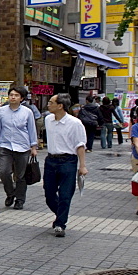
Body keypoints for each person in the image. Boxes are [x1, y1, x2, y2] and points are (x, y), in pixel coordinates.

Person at [43, 94, 88, 237]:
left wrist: (82, 166)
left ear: (60, 106)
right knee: (49, 194)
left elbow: (80, 145)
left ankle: (60, 224)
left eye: (51, 102)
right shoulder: (48, 119)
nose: (48, 105)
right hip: (51, 160)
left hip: (68, 161)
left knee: (65, 194)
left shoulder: (75, 123)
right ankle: (60, 215)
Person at [0, 85, 38, 210]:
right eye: (11, 95)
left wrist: (34, 147)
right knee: (4, 172)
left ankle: (20, 199)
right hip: (5, 146)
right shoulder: (1, 111)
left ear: (21, 98)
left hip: (22, 147)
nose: (13, 97)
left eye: (16, 95)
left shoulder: (27, 112)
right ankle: (10, 193)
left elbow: (32, 130)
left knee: (20, 175)